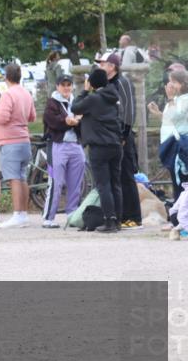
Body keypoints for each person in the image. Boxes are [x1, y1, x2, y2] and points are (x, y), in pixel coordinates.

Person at [72, 68, 123, 233]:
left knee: (103, 185)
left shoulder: (93, 98)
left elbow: (75, 107)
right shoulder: (113, 96)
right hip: (115, 145)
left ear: (92, 83)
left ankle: (109, 221)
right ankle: (118, 220)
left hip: (99, 146)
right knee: (116, 184)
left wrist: (85, 91)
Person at [97, 51, 142, 229]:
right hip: (110, 137)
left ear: (111, 66)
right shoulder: (105, 85)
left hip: (122, 136)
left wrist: (124, 134)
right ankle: (120, 215)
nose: (100, 66)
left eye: (102, 63)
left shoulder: (122, 82)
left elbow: (129, 110)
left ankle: (134, 216)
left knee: (126, 176)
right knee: (116, 177)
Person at [0, 63, 36, 229]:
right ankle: (23, 213)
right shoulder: (26, 93)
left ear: (6, 77)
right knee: (22, 177)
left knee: (13, 179)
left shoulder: (8, 94)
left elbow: (3, 117)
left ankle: (17, 214)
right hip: (24, 140)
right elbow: (32, 116)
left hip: (10, 141)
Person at [41, 75, 85, 228]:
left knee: (76, 182)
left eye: (69, 84)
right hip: (57, 145)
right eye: (63, 85)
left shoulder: (77, 102)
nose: (66, 88)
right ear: (57, 87)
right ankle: (48, 217)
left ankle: (72, 213)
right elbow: (52, 121)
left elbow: (82, 122)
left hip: (76, 144)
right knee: (56, 182)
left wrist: (75, 122)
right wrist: (69, 121)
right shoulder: (52, 102)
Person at [150, 69, 188, 191]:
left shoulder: (185, 100)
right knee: (177, 186)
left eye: (173, 82)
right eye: (169, 81)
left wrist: (171, 99)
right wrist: (158, 114)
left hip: (181, 148)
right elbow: (170, 121)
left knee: (182, 186)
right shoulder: (175, 100)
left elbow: (177, 118)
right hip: (171, 147)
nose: (169, 85)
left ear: (183, 84)